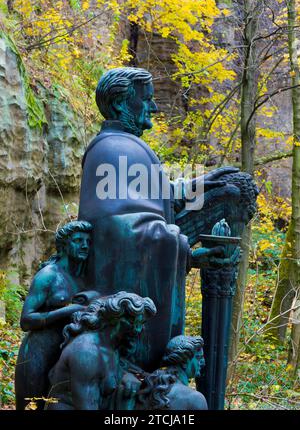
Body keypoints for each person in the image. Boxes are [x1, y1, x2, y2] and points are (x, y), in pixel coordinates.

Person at [78, 67, 230, 371]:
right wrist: (182, 247)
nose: (155, 106)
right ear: (121, 103)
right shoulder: (115, 147)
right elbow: (118, 224)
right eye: (146, 98)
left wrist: (197, 186)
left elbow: (148, 194)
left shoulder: (122, 146)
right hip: (121, 303)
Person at [15, 220, 92, 410]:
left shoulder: (81, 279)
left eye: (88, 241)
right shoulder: (48, 275)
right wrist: (68, 310)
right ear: (65, 246)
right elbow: (26, 320)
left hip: (63, 357)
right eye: (78, 240)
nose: (84, 245)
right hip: (37, 355)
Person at [45, 292, 156, 410]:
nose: (138, 330)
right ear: (115, 319)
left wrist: (125, 375)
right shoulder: (87, 353)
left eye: (141, 324)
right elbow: (87, 407)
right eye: (133, 323)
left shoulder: (111, 347)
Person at [137, 335, 207, 410]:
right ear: (184, 361)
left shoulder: (148, 390)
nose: (203, 363)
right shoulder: (196, 399)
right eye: (198, 357)